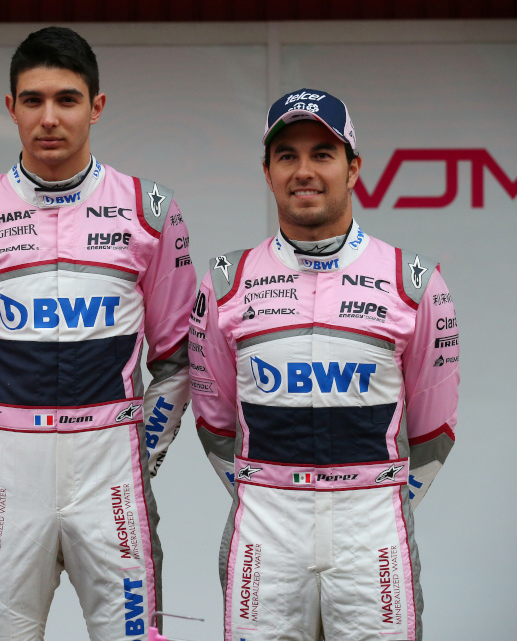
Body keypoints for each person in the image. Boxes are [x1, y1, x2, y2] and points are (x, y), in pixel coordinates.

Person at [0, 27, 195, 641]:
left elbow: (179, 360)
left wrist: (140, 452)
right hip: (7, 479)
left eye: (68, 99)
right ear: (11, 107)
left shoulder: (151, 210)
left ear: (97, 107)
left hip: (113, 472)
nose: (49, 118)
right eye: (33, 100)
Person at [189, 88, 459, 640]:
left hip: (373, 531)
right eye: (287, 155)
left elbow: (436, 428)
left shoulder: (415, 282)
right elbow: (212, 419)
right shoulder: (223, 283)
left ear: (353, 168)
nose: (304, 171)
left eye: (322, 154)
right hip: (265, 526)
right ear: (267, 172)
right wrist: (268, 491)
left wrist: (378, 502)